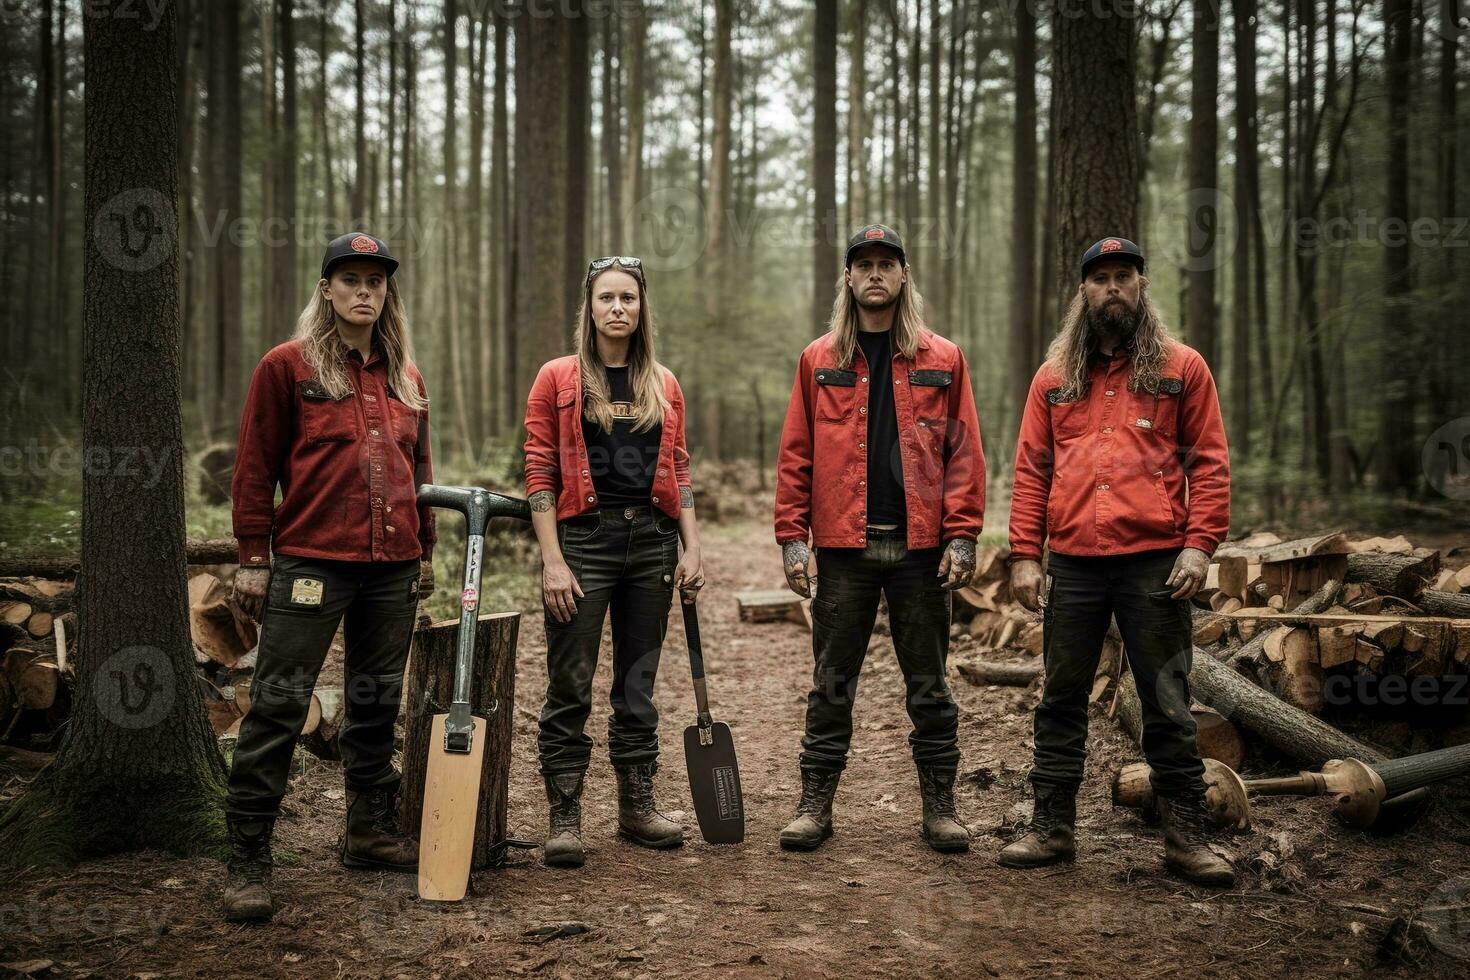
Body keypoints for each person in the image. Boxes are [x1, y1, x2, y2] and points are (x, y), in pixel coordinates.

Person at [998, 236, 1235, 887]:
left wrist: (1198, 543)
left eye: (1123, 276)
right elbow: (1030, 472)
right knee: (1061, 696)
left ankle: (1186, 837)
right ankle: (1051, 829)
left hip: (1156, 565)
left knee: (1168, 699)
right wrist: (1024, 555)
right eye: (1099, 278)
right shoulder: (1054, 379)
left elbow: (1209, 463)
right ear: (1083, 291)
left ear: (1140, 286)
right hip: (1072, 565)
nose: (1111, 288)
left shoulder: (1180, 369)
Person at [224, 232, 436, 922]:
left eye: (375, 280)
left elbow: (419, 473)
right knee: (279, 702)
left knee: (375, 703)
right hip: (312, 562)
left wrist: (425, 550)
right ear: (327, 289)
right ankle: (248, 854)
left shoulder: (407, 378)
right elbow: (254, 466)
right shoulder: (287, 367)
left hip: (393, 567)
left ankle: (368, 833)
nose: (364, 291)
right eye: (350, 279)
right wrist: (254, 557)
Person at [773, 223, 986, 854]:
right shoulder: (820, 360)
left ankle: (940, 807)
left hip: (921, 554)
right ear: (848, 277)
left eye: (885, 264)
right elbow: (796, 453)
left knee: (929, 683)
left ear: (903, 275)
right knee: (831, 682)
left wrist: (964, 534)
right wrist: (792, 537)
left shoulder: (942, 359)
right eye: (862, 263)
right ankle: (815, 804)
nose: (874, 274)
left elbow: (964, 453)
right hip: (844, 552)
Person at [522, 255, 704, 868]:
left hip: (651, 544)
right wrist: (552, 560)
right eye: (607, 298)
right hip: (583, 544)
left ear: (641, 307)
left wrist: (692, 545)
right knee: (570, 681)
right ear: (590, 308)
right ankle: (565, 813)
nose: (618, 308)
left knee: (637, 682)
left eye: (628, 298)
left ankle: (636, 805)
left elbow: (678, 467)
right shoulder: (558, 379)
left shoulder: (665, 383)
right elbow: (540, 469)